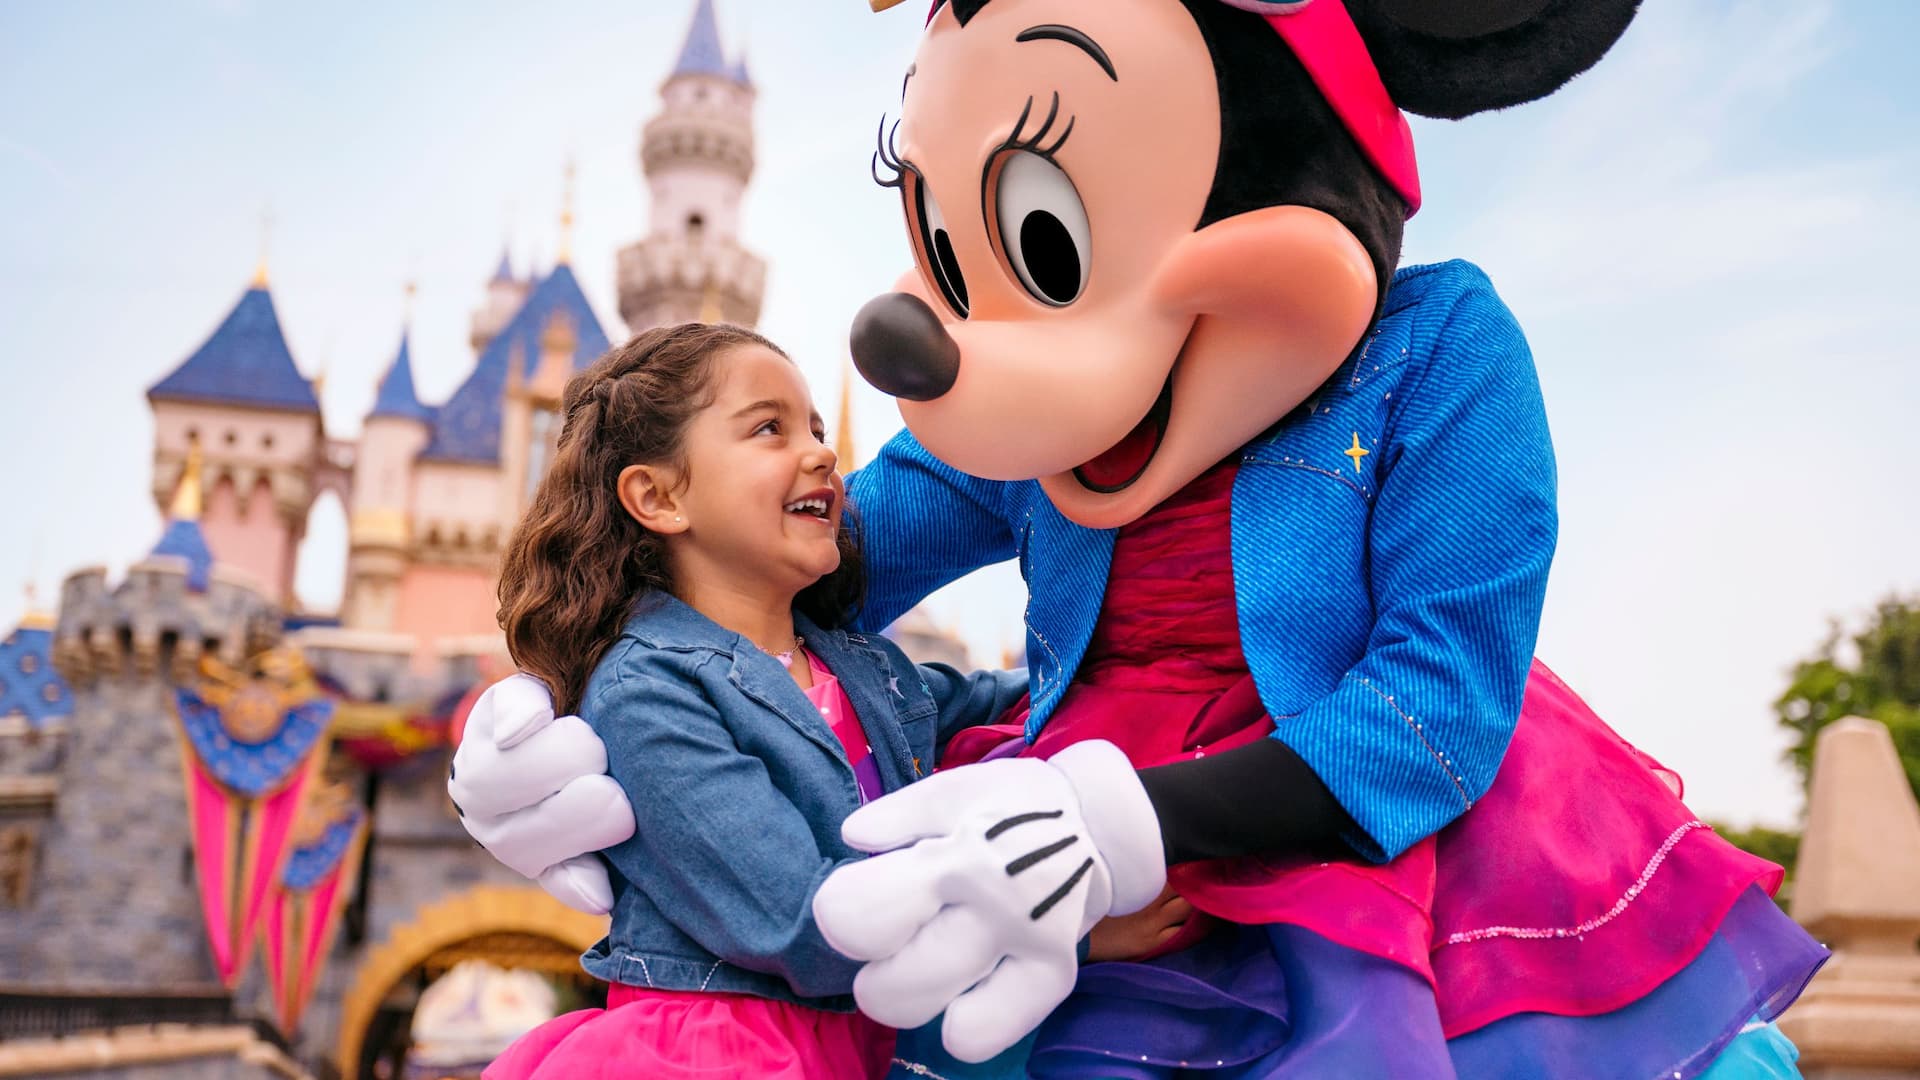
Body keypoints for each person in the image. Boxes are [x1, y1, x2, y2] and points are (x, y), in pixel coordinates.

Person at [472, 322, 1040, 1079]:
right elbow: (798, 921)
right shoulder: (649, 690)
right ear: (658, 496)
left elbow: (1035, 707)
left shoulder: (864, 670)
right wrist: (1047, 918)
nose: (822, 451)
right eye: (769, 428)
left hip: (864, 1046)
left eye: (812, 425)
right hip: (725, 1052)